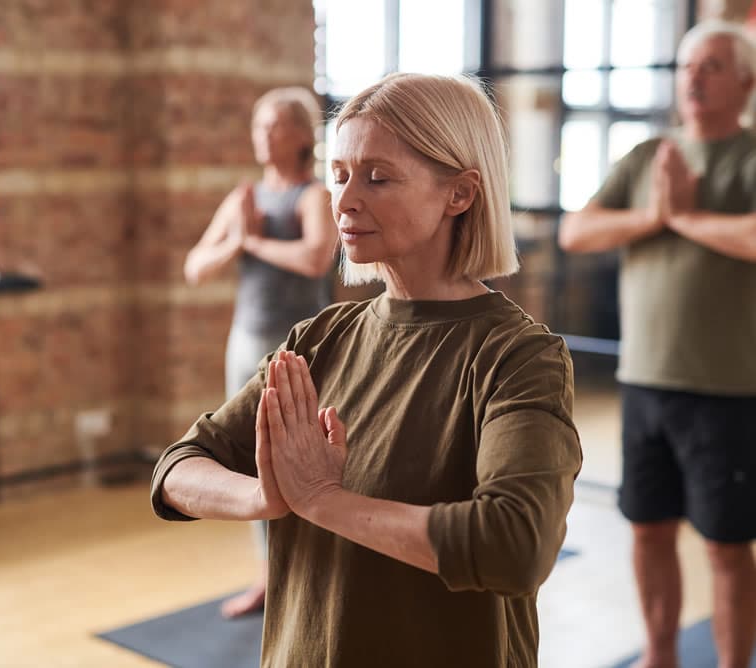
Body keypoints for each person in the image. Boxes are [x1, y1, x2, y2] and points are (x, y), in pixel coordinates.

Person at [152, 72, 582, 667]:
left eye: (378, 178)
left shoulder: (518, 356)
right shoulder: (318, 340)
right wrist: (268, 498)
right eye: (339, 175)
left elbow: (516, 545)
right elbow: (177, 467)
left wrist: (322, 500)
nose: (346, 201)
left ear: (459, 194)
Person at [558, 20, 756, 668]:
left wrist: (684, 218)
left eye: (713, 66)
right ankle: (661, 656)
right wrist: (652, 215)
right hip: (645, 383)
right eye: (687, 65)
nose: (694, 77)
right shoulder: (648, 158)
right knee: (647, 530)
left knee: (728, 546)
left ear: (746, 82)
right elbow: (576, 231)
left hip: (727, 389)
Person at [183, 86, 337, 617]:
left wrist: (251, 243)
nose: (261, 136)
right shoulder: (244, 198)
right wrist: (234, 241)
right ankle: (270, 577)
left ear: (300, 134)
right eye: (256, 126)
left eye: (272, 126)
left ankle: (313, 576)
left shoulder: (315, 196)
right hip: (246, 341)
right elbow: (195, 266)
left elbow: (316, 258)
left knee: (305, 457)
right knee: (254, 461)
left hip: (303, 346)